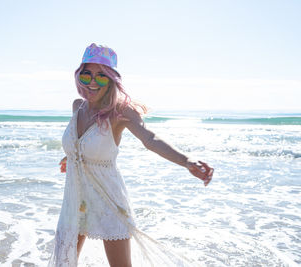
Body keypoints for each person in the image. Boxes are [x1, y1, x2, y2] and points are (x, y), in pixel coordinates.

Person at [48, 43, 214, 267]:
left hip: (109, 200)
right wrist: (72, 157)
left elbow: (150, 139)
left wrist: (186, 161)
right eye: (87, 75)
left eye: (102, 76)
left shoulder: (121, 112)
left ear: (112, 80)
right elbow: (81, 143)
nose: (94, 81)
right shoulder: (77, 106)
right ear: (79, 76)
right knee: (63, 262)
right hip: (75, 199)